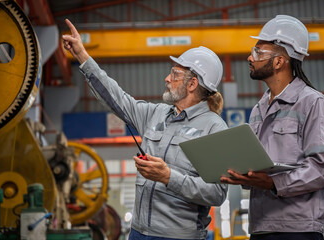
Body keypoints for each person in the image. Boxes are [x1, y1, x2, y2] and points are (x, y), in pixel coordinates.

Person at [63, 19, 228, 240]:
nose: (167, 79)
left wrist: (169, 177)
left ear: (192, 84)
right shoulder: (156, 114)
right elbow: (116, 99)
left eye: (175, 74)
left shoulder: (213, 128)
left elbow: (217, 193)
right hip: (138, 233)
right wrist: (83, 57)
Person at [220, 15, 324, 240]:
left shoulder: (312, 103)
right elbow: (257, 165)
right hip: (261, 227)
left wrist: (273, 182)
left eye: (258, 52)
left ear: (279, 61)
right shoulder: (259, 109)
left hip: (298, 229)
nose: (250, 57)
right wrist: (240, 173)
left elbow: (321, 169)